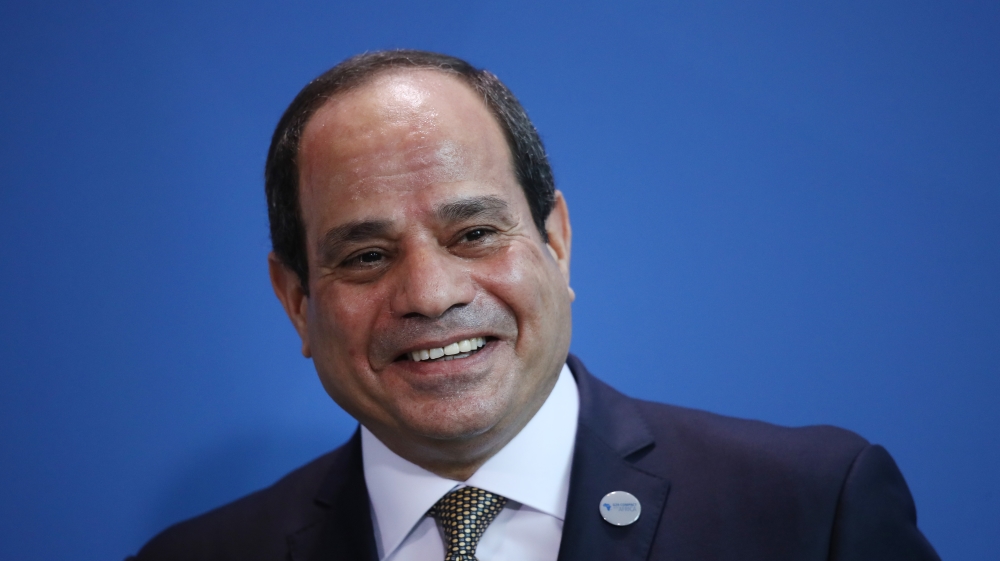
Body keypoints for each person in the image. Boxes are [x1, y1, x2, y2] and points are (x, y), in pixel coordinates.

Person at [130, 50, 940, 561]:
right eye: (367, 256)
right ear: (295, 299)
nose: (432, 294)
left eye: (475, 233)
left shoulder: (810, 512)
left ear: (556, 241)